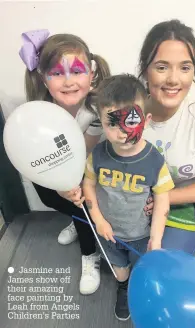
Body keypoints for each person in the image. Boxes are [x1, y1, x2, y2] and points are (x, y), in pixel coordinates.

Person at [73, 74, 174, 320]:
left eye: (131, 121)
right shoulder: (97, 155)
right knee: (119, 267)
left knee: (142, 267)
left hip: (141, 233)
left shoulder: (154, 161)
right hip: (109, 231)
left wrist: (156, 238)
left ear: (146, 120)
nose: (122, 133)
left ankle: (139, 288)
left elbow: (162, 200)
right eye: (112, 124)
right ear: (102, 123)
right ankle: (122, 287)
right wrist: (97, 219)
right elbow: (88, 184)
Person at [20, 29, 110, 294]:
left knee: (82, 208)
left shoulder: (94, 109)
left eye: (77, 71)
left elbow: (84, 153)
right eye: (57, 73)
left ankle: (89, 253)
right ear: (45, 80)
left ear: (91, 74)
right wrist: (59, 187)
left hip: (87, 165)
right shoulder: (40, 109)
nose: (68, 81)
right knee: (51, 199)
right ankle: (76, 216)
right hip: (51, 166)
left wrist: (72, 187)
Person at [138, 19, 195, 253]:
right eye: (162, 67)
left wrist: (165, 197)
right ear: (145, 69)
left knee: (162, 267)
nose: (173, 79)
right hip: (137, 198)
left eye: (185, 67)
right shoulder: (130, 112)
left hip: (183, 201)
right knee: (124, 257)